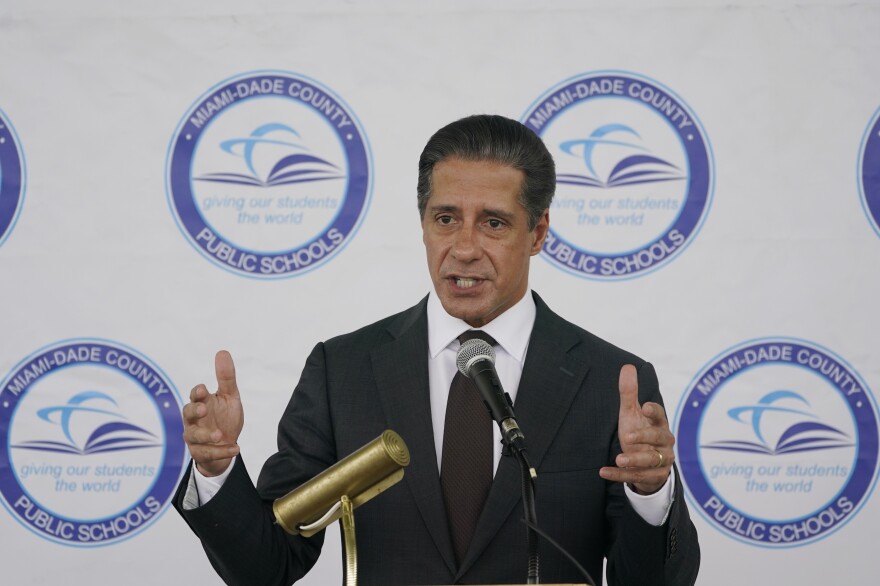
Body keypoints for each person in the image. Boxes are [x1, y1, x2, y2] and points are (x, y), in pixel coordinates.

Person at [174, 114, 700, 585]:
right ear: (423, 223)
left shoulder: (610, 381)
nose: (464, 247)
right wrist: (218, 469)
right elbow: (267, 565)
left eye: (493, 223)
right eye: (445, 218)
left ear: (538, 232)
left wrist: (650, 494)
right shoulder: (344, 371)